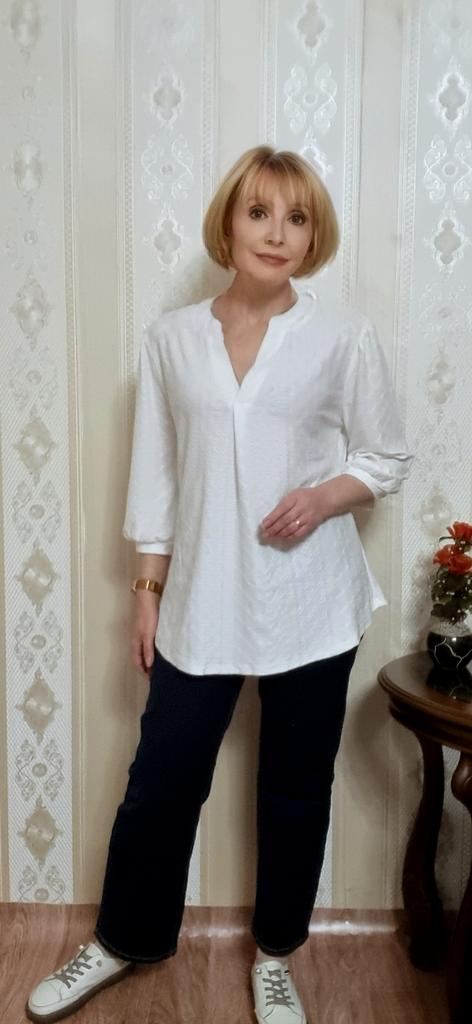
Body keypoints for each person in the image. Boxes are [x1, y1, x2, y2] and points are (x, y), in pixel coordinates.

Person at [27, 146, 413, 1024]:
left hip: (312, 601)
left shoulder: (342, 335)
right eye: (259, 212)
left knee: (294, 789)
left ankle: (275, 955)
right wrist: (146, 590)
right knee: (162, 780)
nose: (277, 233)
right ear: (229, 223)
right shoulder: (172, 339)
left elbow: (386, 454)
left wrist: (323, 497)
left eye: (297, 218)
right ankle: (122, 938)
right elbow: (157, 475)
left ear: (313, 236)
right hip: (203, 597)